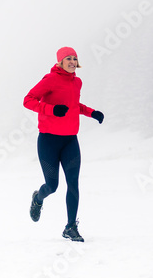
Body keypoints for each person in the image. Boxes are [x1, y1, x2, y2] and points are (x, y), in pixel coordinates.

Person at [23, 47, 104, 241]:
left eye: (75, 59)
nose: (72, 62)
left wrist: (92, 112)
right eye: (68, 58)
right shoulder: (50, 80)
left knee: (73, 184)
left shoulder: (77, 82)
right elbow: (28, 100)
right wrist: (50, 109)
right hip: (48, 141)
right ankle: (37, 198)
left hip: (70, 140)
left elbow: (75, 106)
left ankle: (70, 227)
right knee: (52, 186)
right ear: (60, 61)